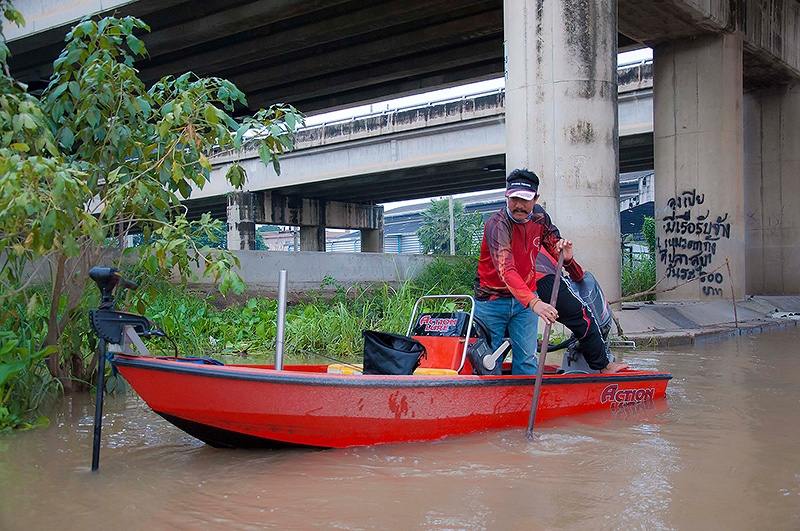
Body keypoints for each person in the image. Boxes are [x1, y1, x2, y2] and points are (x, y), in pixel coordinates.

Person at [474, 168, 628, 375]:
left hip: (523, 304)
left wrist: (565, 255)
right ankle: (490, 405)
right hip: (492, 301)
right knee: (489, 362)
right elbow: (506, 270)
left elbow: (555, 244)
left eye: (525, 200)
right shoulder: (498, 225)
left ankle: (526, 405)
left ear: (535, 198)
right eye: (514, 199)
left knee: (527, 360)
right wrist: (535, 302)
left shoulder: (539, 217)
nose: (519, 205)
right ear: (507, 196)